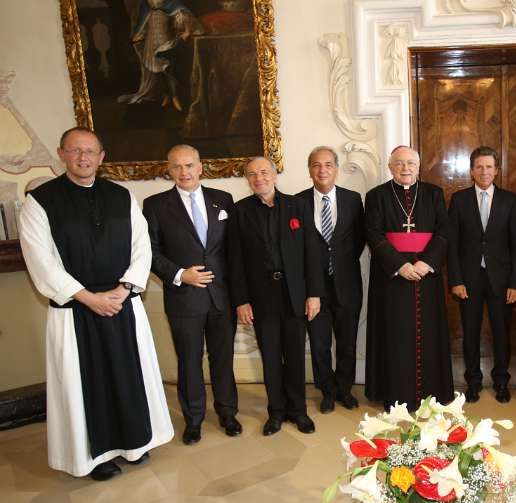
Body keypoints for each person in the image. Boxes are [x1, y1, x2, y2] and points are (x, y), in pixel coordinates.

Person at [18, 127, 173, 481]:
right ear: (61, 154)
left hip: (122, 304)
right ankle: (95, 457)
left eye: (90, 151)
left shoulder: (122, 196)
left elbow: (142, 247)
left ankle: (134, 445)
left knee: (128, 375)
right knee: (86, 385)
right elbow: (41, 261)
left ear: (102, 157)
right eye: (75, 151)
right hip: (76, 311)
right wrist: (88, 298)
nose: (83, 158)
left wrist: (123, 290)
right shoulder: (40, 202)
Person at [142, 144, 240, 445]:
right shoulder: (155, 205)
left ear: (200, 167)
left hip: (222, 297)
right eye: (177, 167)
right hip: (184, 298)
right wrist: (180, 274)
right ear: (169, 170)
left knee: (223, 359)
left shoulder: (223, 200)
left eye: (189, 165)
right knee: (189, 361)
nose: (184, 172)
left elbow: (234, 250)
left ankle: (227, 412)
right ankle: (194, 419)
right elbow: (150, 251)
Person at [227, 157, 324, 435]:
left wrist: (314, 294)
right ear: (247, 179)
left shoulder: (298, 206)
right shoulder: (239, 212)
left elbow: (312, 253)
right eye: (252, 174)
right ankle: (276, 412)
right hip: (260, 296)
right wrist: (241, 300)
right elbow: (235, 261)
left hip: (294, 294)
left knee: (294, 355)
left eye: (264, 172)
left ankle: (298, 411)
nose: (259, 178)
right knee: (270, 356)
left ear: (274, 175)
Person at [364, 146, 453, 411]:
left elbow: (445, 230)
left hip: (427, 275)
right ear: (390, 167)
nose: (405, 168)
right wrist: (399, 265)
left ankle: (432, 392)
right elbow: (373, 233)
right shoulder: (376, 196)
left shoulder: (434, 194)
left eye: (411, 163)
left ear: (418, 166)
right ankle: (395, 392)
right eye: (399, 163)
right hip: (392, 278)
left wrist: (427, 262)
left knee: (429, 333)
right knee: (395, 334)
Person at [447, 146, 516, 404]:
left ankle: (501, 381)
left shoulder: (510, 201)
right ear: (471, 171)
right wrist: (455, 279)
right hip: (468, 279)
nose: (484, 171)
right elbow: (452, 244)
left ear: (497, 170)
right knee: (470, 332)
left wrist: (515, 282)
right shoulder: (459, 200)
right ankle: (473, 381)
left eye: (489, 167)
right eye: (479, 167)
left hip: (501, 280)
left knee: (502, 332)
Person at [295, 146, 365, 413]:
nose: (322, 170)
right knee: (320, 344)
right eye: (316, 165)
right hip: (314, 289)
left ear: (335, 168)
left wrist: (340, 265)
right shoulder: (297, 202)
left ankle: (344, 389)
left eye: (327, 164)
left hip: (347, 285)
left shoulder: (353, 199)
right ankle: (327, 391)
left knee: (347, 342)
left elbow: (358, 240)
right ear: (310, 170)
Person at [119, 0, 204, 111]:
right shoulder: (145, 6)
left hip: (166, 42)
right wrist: (140, 35)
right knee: (159, 71)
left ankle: (174, 98)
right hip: (151, 43)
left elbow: (182, 18)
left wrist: (186, 31)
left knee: (169, 70)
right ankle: (166, 96)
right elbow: (144, 24)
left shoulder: (172, 4)